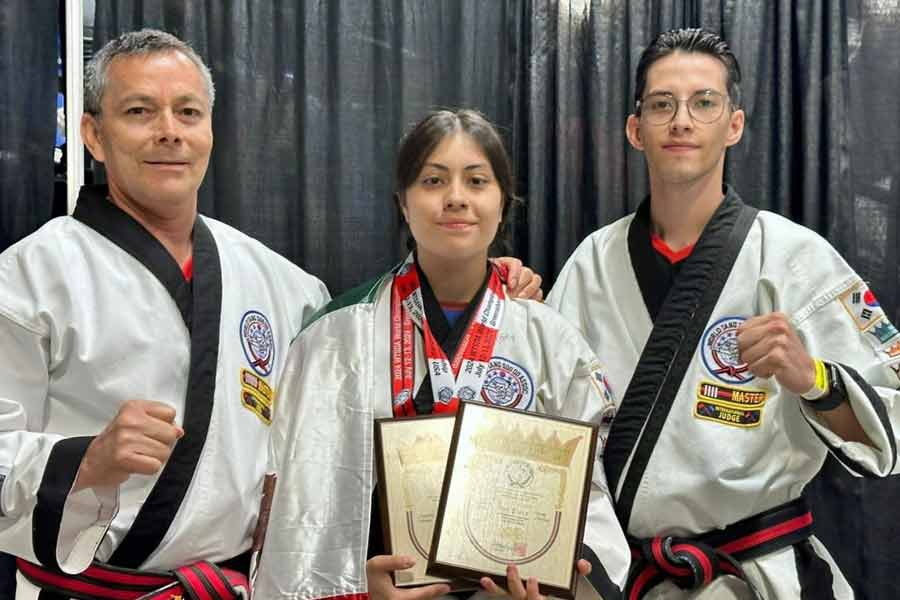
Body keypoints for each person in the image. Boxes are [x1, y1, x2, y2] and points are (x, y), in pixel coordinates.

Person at [546, 28, 900, 599]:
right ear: (636, 130)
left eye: (704, 102)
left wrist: (813, 379)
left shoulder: (796, 259)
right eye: (662, 104)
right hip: (618, 577)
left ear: (733, 124)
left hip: (756, 576)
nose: (681, 120)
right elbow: (541, 417)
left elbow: (893, 424)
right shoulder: (591, 263)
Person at [253, 109, 630, 600]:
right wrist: (359, 590)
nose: (456, 198)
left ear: (502, 204)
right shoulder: (338, 333)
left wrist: (554, 590)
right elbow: (305, 503)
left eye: (477, 181)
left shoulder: (549, 340)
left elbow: (588, 494)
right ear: (403, 204)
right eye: (433, 180)